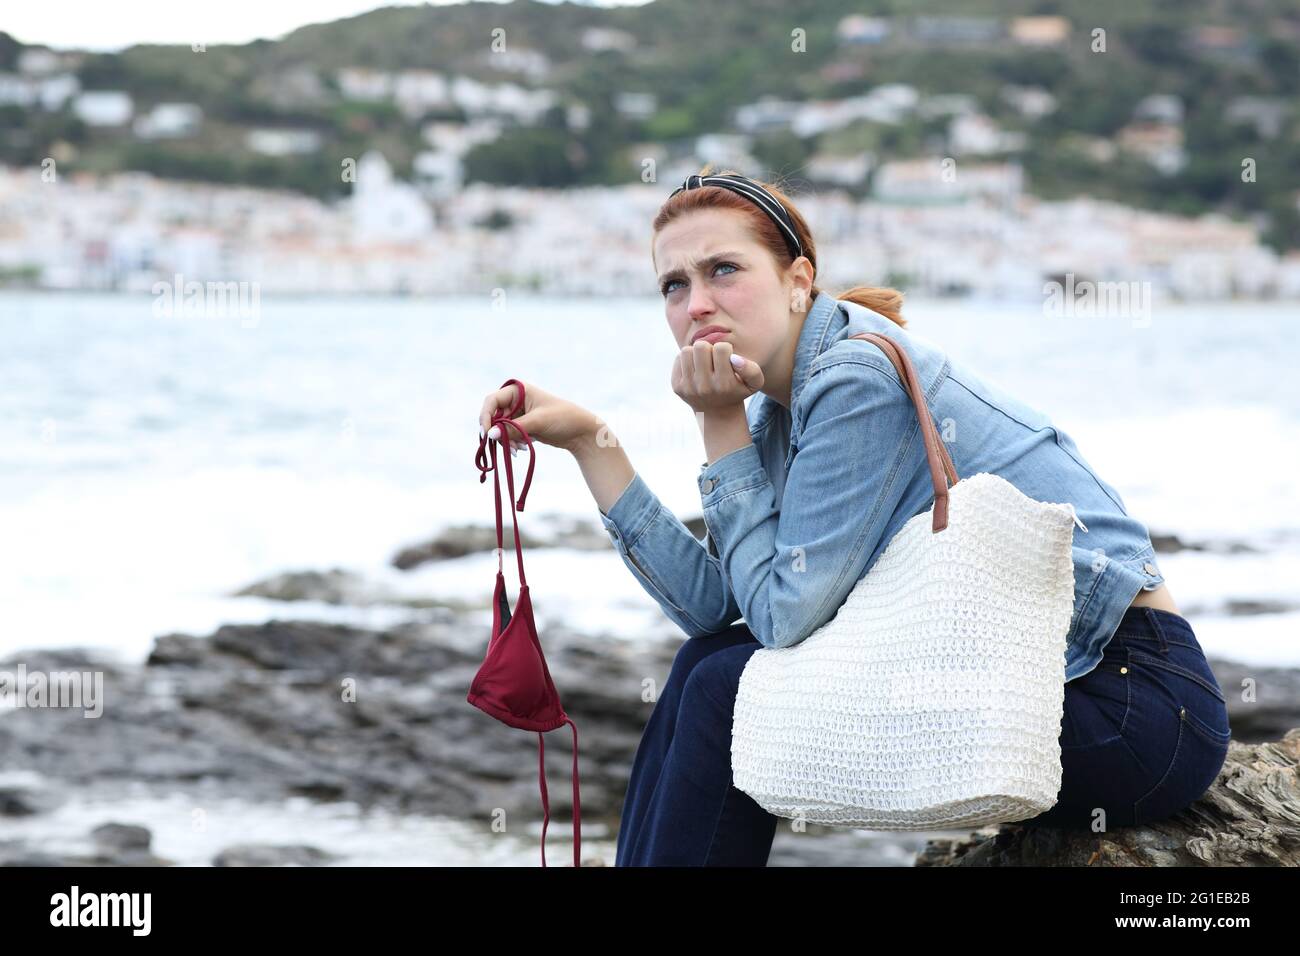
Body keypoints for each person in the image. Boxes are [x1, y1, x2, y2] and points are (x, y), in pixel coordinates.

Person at [476, 166, 1232, 867]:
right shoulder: (779, 411)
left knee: (725, 686)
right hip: (1048, 683)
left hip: (1134, 705)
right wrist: (589, 441)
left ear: (798, 279)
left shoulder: (856, 377)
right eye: (674, 285)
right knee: (704, 664)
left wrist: (717, 426)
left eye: (723, 270)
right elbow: (715, 611)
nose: (695, 303)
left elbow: (779, 625)